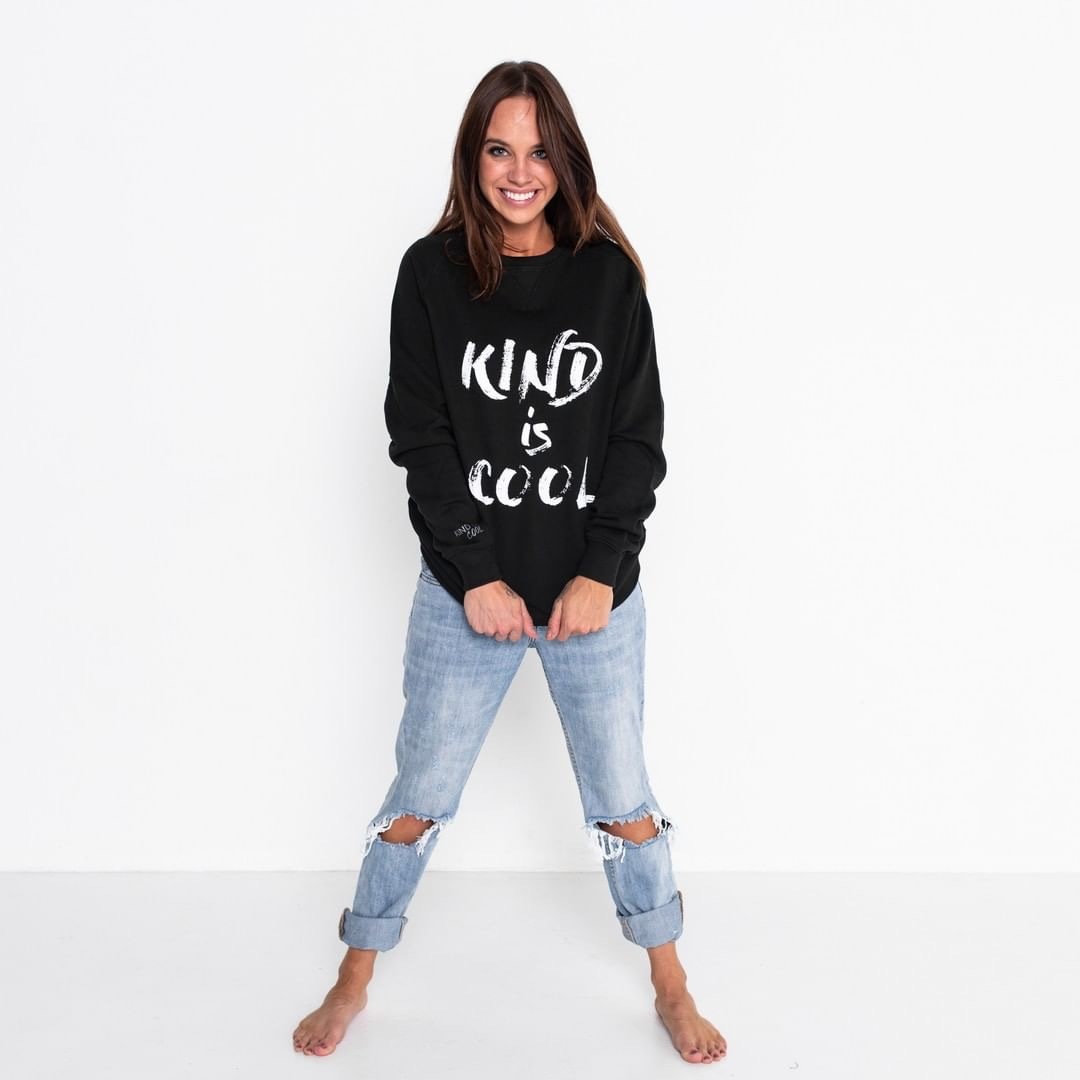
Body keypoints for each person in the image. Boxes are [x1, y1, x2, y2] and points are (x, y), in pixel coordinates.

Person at [293, 60, 727, 1065]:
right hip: (467, 597)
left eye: (537, 151)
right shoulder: (430, 273)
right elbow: (421, 435)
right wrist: (477, 573)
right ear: (473, 157)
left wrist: (601, 571)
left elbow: (636, 439)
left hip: (590, 600)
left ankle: (671, 982)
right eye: (499, 148)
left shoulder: (607, 279)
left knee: (623, 799)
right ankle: (354, 974)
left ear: (564, 160)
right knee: (418, 795)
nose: (518, 171)